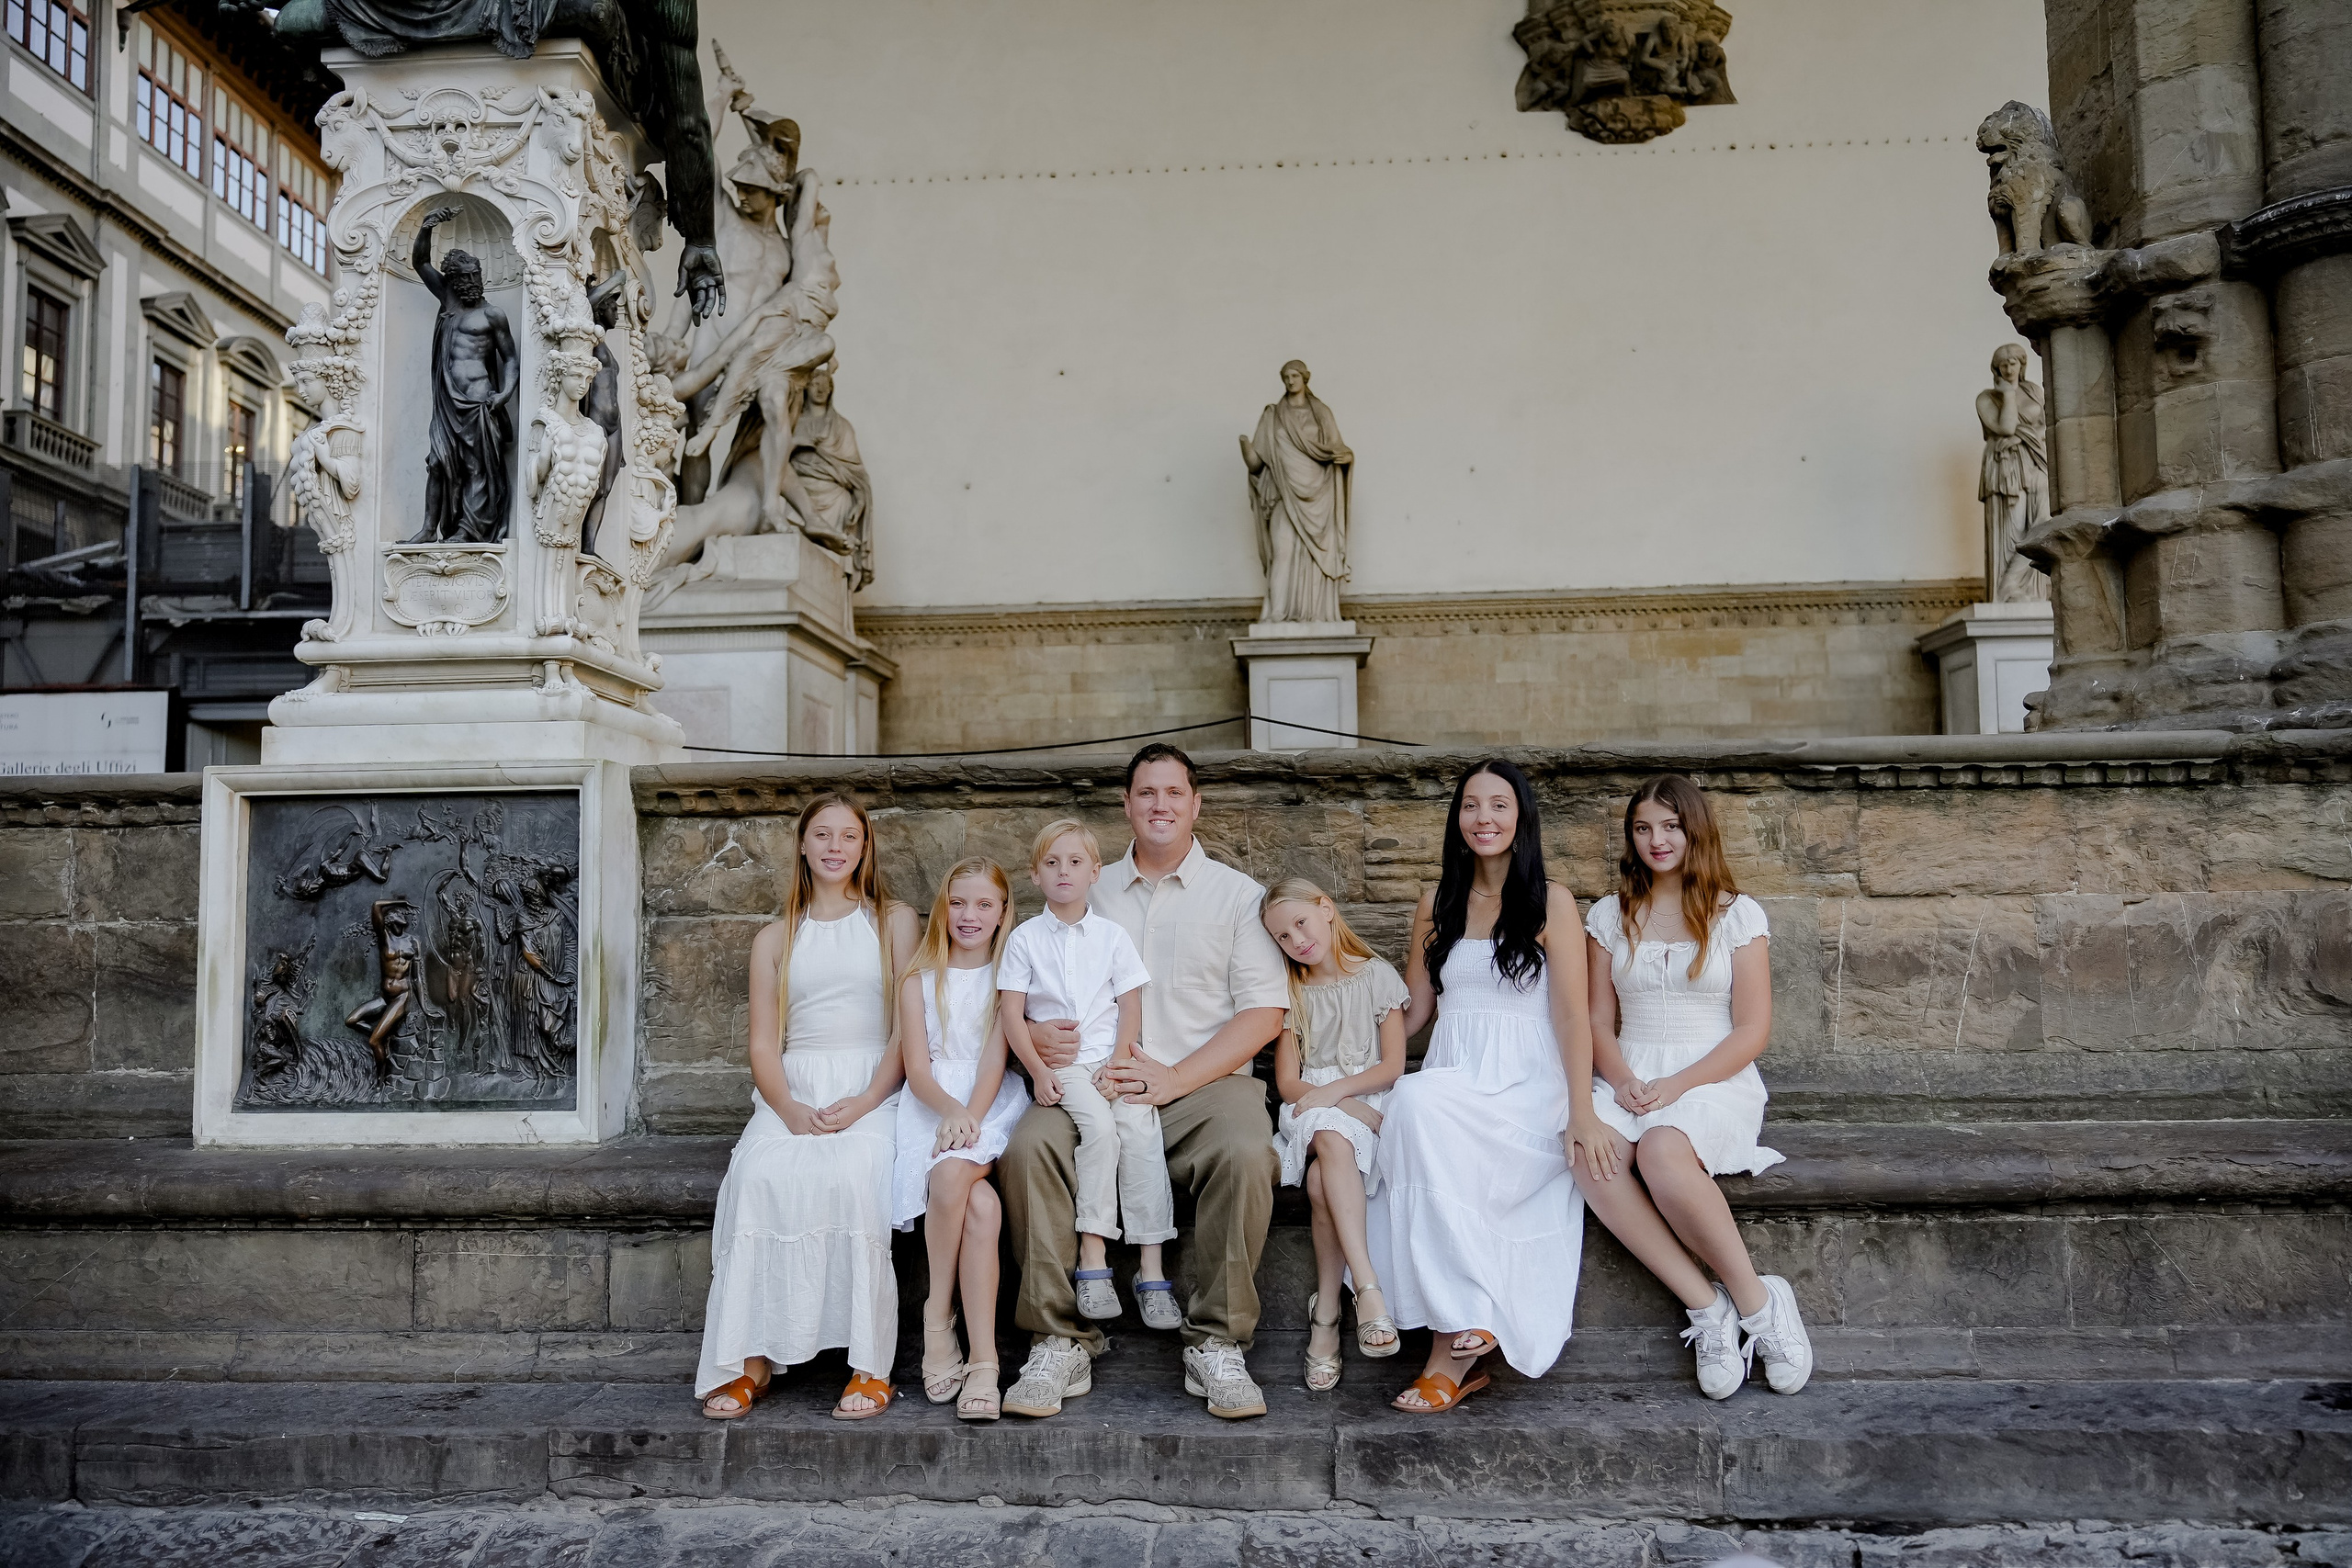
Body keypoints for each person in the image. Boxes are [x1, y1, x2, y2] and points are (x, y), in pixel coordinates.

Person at [999, 744, 1289, 1421]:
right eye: (1146, 793)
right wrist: (1038, 1040)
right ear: (1126, 805)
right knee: (1027, 1148)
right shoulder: (1079, 884)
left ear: (1195, 804)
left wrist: (1174, 1076)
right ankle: (1059, 1337)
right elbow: (1017, 995)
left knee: (1248, 1151)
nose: (1160, 804)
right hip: (1089, 1083)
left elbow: (1264, 1014)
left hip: (1203, 1085)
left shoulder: (1237, 897)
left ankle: (1216, 1342)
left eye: (1173, 793)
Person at [1577, 775, 1813, 1399]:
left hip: (1713, 1075)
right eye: (1643, 827)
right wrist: (1624, 1079)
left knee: (1659, 1148)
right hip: (1631, 1073)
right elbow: (1598, 1021)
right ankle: (1706, 1307)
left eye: (1671, 826)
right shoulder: (1609, 914)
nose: (1657, 839)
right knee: (1585, 1151)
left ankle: (1760, 1305)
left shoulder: (1737, 914)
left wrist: (1675, 1084)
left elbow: (1752, 1028)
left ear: (1694, 830)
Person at [1367, 760, 1591, 1413]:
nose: (1483, 818)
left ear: (1520, 816)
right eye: (1471, 806)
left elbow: (1574, 1013)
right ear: (1457, 818)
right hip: (1454, 1072)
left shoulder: (1551, 901)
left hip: (1527, 1080)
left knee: (1419, 1108)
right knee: (1413, 1103)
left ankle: (1450, 1355)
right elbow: (1412, 1012)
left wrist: (1582, 1110)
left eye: (1498, 805)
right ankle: (1464, 1329)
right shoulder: (1435, 903)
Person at [695, 793, 916, 1422]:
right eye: (823, 834)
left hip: (875, 1081)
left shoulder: (894, 921)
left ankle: (870, 1365)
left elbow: (908, 1027)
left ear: (865, 847)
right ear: (802, 843)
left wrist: (869, 1097)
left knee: (851, 1179)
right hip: (792, 1086)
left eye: (849, 836)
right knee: (759, 1177)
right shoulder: (774, 937)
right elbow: (763, 1042)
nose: (835, 847)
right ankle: (751, 1361)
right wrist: (788, 1108)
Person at [997, 821, 1171, 1328]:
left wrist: (1121, 1065)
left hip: (1110, 1060)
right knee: (1098, 1130)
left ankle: (1150, 1269)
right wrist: (1035, 1070)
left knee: (1139, 1129)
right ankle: (1092, 1260)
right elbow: (1011, 1014)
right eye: (1051, 863)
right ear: (1035, 874)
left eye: (1075, 862)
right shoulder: (1024, 940)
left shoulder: (1112, 936)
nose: (1063, 872)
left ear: (1096, 872)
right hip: (1065, 1066)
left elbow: (1130, 1002)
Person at [892, 856, 1031, 1422]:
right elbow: (918, 1069)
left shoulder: (1009, 976)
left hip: (989, 1102)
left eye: (983, 904)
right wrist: (949, 1111)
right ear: (942, 909)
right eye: (957, 903)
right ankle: (983, 1359)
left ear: (1002, 913)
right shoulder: (918, 980)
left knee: (954, 1173)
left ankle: (934, 1316)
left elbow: (997, 1059)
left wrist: (970, 1116)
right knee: (981, 1206)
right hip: (931, 1106)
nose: (969, 915)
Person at [1261, 877, 1407, 1392]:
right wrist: (1336, 1102)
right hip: (1312, 1105)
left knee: (1324, 1179)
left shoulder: (1377, 976)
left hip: (1368, 1100)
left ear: (1326, 909)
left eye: (1300, 922)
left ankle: (1326, 1309)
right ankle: (1368, 1290)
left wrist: (1344, 1095)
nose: (1296, 939)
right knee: (1326, 1131)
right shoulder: (1291, 993)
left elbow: (1391, 1065)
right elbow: (1288, 1083)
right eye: (1281, 936)